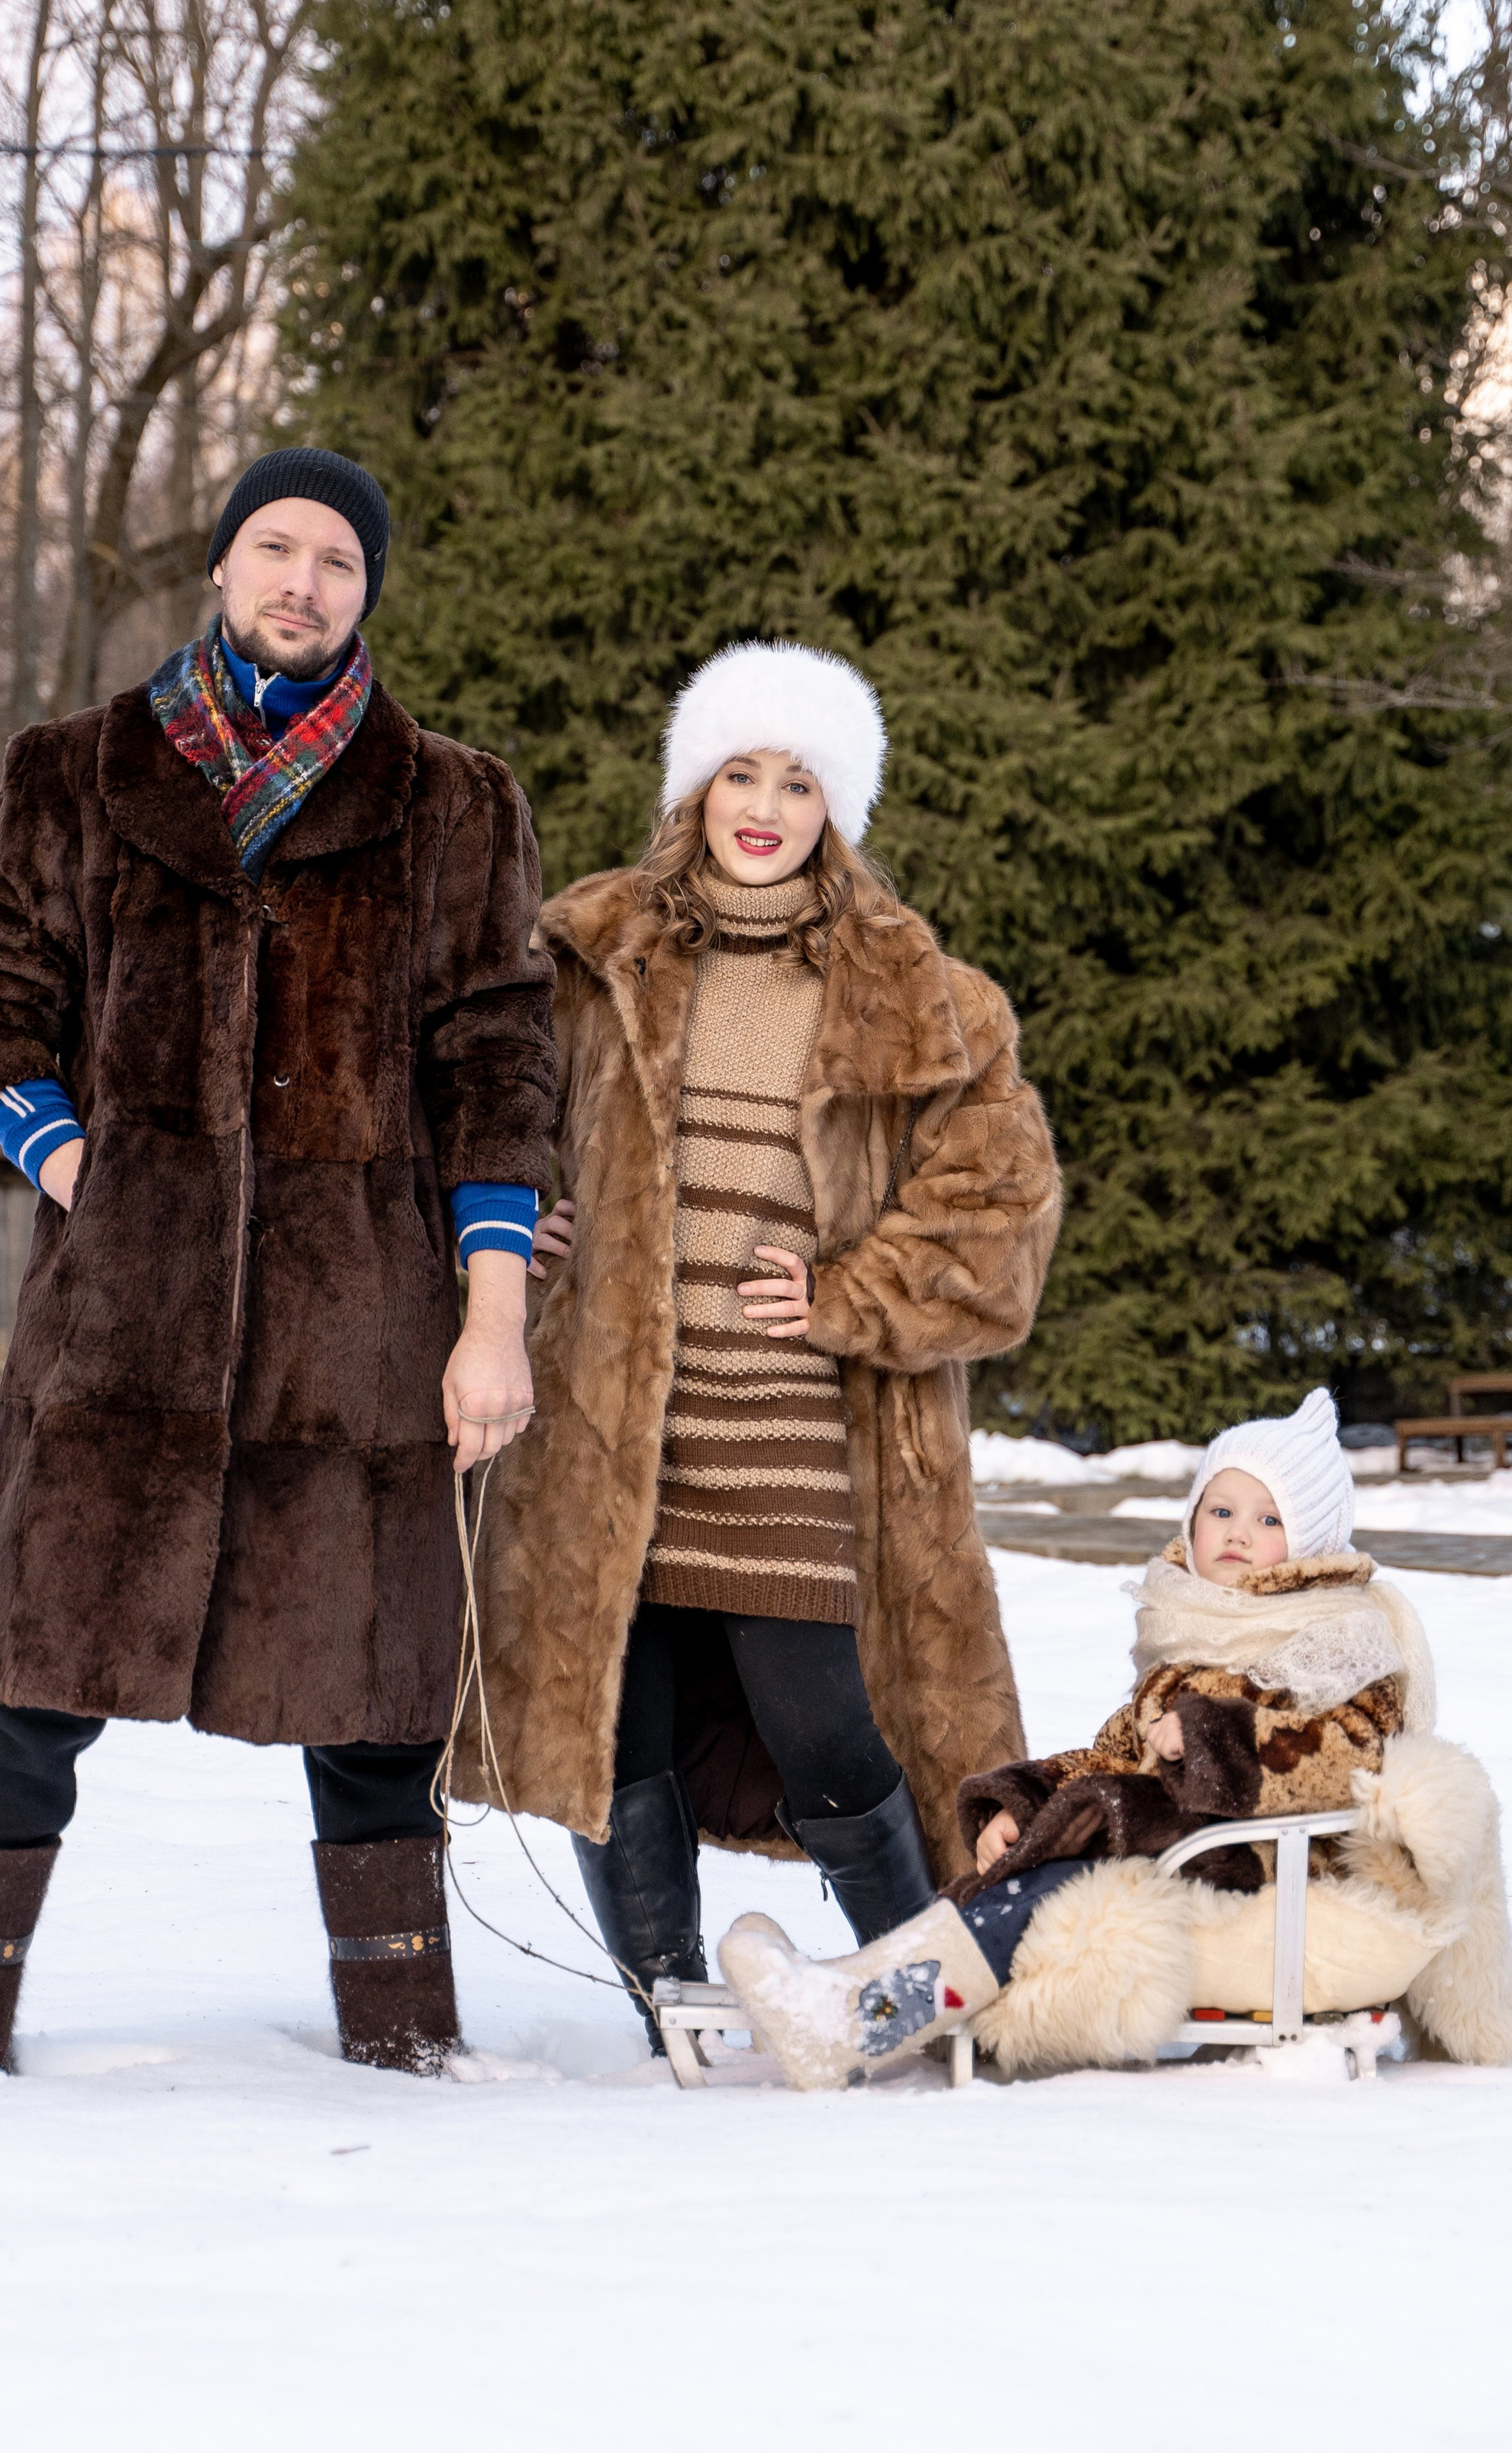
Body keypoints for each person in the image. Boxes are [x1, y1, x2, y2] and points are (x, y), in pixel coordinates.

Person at [0, 447, 556, 2084]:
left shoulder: (455, 804)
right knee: (31, 1687)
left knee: (377, 1711)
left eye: (338, 560)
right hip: (119, 1333)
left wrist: (489, 1317)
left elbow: (498, 1064)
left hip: (359, 1336)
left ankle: (406, 2052)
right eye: (276, 546)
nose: (303, 582)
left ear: (367, 591)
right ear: (221, 564)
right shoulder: (71, 773)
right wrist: (80, 1167)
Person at [450, 640, 1062, 2046]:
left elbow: (999, 1215)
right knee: (622, 1726)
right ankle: (670, 2001)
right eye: (742, 771)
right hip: (615, 1427)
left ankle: (926, 1997)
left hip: (794, 1423)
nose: (767, 805)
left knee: (834, 1733)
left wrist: (852, 1292)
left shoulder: (922, 994)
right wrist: (515, 1224)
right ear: (698, 786)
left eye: (800, 780)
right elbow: (483, 1114)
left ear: (838, 806)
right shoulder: (584, 953)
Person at [721, 1387, 1512, 2087]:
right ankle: (855, 2001)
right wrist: (1025, 1806)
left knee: (1052, 1886)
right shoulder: (1183, 1650)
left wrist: (1214, 1738)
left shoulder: (1336, 1642)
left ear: (1309, 1543)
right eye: (1221, 1510)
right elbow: (1109, 1758)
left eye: (1268, 1518)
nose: (1237, 1532)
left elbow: (1347, 1755)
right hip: (1180, 1846)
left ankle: (855, 2018)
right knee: (1031, 1869)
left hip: (1265, 1860)